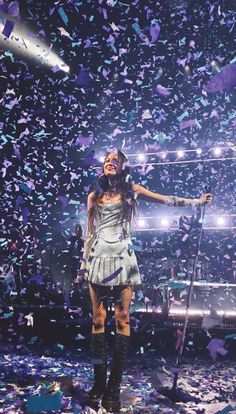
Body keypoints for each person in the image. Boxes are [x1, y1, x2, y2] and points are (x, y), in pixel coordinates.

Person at [78, 149, 212, 412]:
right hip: (97, 259)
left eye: (115, 160)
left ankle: (113, 386)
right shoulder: (93, 196)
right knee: (97, 319)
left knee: (122, 317)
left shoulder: (132, 191)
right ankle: (98, 383)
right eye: (106, 160)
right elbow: (90, 232)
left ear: (123, 166)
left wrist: (197, 202)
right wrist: (83, 264)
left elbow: (166, 199)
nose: (109, 163)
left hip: (123, 259)